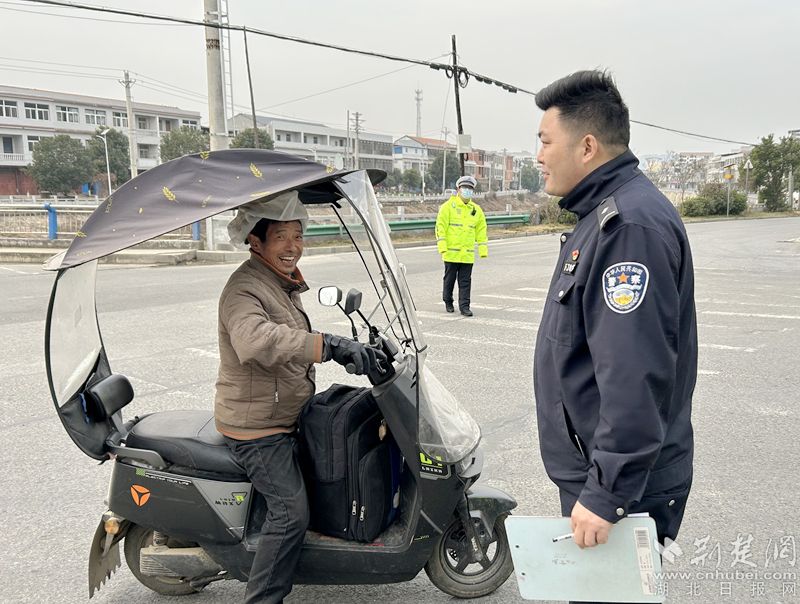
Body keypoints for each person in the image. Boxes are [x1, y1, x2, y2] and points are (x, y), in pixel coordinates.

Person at [532, 71, 697, 556]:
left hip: (623, 491)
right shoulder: (601, 215)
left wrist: (606, 493)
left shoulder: (628, 227)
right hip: (606, 478)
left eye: (545, 142)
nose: (538, 156)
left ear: (586, 147)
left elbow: (633, 372)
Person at [214, 191, 384, 604]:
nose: (292, 246)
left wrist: (349, 345)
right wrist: (327, 345)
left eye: (298, 235)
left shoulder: (277, 280)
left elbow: (289, 336)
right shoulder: (245, 289)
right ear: (256, 241)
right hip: (257, 428)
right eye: (281, 237)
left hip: (284, 412)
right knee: (291, 516)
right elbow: (256, 341)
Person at [435, 175, 488, 316]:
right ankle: (448, 301)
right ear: (458, 189)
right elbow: (440, 227)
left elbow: (481, 230)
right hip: (451, 253)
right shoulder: (447, 207)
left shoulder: (476, 210)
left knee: (465, 282)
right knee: (449, 280)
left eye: (470, 188)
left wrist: (483, 249)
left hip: (467, 254)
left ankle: (465, 306)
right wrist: (442, 247)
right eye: (465, 188)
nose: (467, 190)